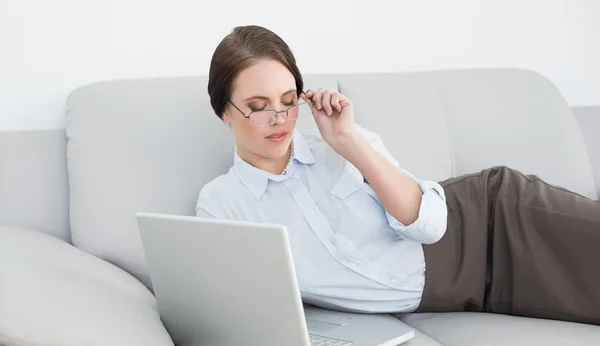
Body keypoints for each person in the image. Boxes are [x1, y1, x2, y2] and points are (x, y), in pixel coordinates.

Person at [196, 25, 600, 325]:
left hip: (490, 222)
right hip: (469, 295)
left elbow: (429, 226)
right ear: (224, 111)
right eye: (258, 105)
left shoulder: (344, 145)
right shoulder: (222, 206)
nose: (280, 119)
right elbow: (233, 308)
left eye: (288, 101)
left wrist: (349, 142)